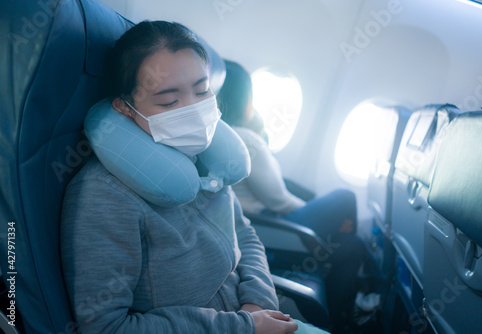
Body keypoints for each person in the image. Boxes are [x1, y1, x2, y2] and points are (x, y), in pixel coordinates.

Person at [60, 21, 301, 334]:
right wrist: (243, 327)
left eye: (202, 91)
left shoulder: (203, 157)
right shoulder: (103, 196)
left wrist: (257, 302)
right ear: (125, 108)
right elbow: (107, 328)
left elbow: (244, 233)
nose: (194, 112)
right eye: (169, 102)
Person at [218, 60, 369, 333]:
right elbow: (280, 201)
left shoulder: (223, 134)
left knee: (352, 246)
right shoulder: (246, 139)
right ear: (245, 98)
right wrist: (325, 217)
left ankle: (339, 320)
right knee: (345, 196)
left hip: (263, 226)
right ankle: (366, 295)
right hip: (273, 231)